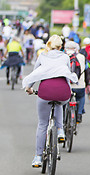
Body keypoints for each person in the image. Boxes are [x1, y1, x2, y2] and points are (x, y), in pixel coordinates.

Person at [22, 35, 78, 167]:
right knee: (59, 103)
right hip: (63, 90)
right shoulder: (65, 57)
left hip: (46, 90)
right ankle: (60, 130)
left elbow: (36, 73)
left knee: (42, 123)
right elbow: (66, 74)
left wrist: (29, 88)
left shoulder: (42, 56)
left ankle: (38, 157)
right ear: (60, 47)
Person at [65, 41, 90, 123]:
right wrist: (87, 83)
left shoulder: (63, 57)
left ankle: (64, 116)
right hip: (80, 85)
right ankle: (79, 114)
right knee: (81, 96)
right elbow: (86, 70)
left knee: (64, 100)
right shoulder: (82, 57)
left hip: (67, 86)